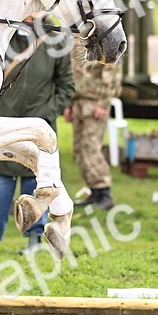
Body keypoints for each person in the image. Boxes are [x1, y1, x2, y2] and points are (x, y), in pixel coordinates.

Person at [0, 33, 75, 252]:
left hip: (38, 129)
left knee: (37, 185)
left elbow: (67, 86)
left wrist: (47, 113)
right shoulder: (1, 37)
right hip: (3, 125)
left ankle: (34, 240)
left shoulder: (55, 41)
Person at [68, 56, 123, 210]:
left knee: (91, 148)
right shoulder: (77, 39)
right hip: (79, 101)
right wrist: (69, 104)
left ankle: (104, 192)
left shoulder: (103, 36)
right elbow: (73, 71)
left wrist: (104, 103)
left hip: (95, 102)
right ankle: (95, 191)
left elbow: (112, 71)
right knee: (79, 149)